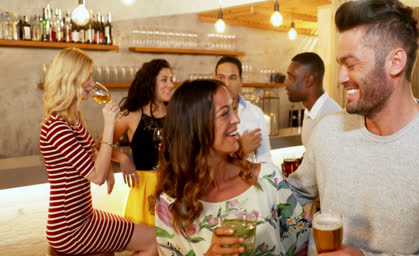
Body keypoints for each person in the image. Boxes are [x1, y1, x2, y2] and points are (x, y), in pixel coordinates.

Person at [287, 0, 419, 256]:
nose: (340, 79)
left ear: (396, 62)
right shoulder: (327, 130)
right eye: (340, 65)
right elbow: (295, 195)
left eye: (352, 64)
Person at [154, 79, 310, 256]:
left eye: (234, 109)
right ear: (196, 127)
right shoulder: (169, 204)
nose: (236, 120)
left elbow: (304, 244)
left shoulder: (269, 179)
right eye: (224, 114)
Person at [40, 48, 158, 255]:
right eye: (87, 78)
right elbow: (97, 176)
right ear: (71, 79)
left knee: (137, 229)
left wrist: (116, 161)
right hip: (70, 229)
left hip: (85, 216)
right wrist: (109, 125)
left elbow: (90, 154)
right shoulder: (57, 126)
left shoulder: (72, 118)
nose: (92, 84)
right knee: (154, 239)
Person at [112, 59, 174, 226]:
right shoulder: (131, 115)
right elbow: (100, 146)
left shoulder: (176, 112)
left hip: (173, 186)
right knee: (148, 247)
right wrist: (123, 159)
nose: (170, 84)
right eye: (164, 80)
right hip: (144, 189)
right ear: (150, 82)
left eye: (171, 79)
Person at [215, 56, 273, 164]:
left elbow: (265, 159)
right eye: (221, 78)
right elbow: (206, 163)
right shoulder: (205, 114)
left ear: (241, 81)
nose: (226, 84)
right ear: (215, 80)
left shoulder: (255, 113)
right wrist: (241, 149)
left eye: (232, 78)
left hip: (249, 179)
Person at [284, 52, 341, 149]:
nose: (285, 82)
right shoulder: (309, 112)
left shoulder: (332, 119)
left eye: (291, 77)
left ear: (309, 80)